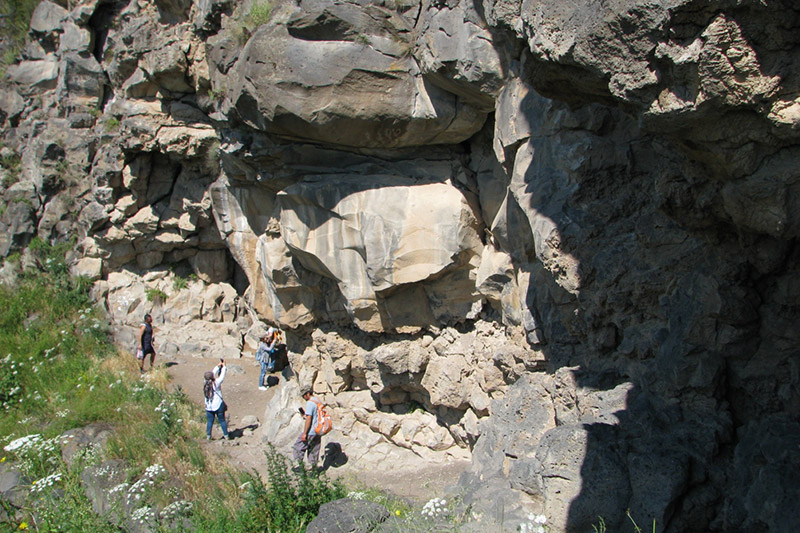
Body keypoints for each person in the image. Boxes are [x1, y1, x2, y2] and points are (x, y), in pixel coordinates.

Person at [292, 385, 322, 469]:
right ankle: (314, 468)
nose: (304, 398)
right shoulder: (317, 401)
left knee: (298, 446)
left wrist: (305, 433)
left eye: (304, 395)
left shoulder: (310, 403)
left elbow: (309, 419)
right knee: (314, 449)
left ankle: (298, 466)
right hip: (318, 430)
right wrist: (306, 416)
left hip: (311, 431)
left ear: (307, 394)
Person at [204, 360, 231, 440]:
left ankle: (208, 436)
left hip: (208, 406)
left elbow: (212, 374)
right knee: (222, 420)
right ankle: (226, 435)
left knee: (210, 421)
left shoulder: (205, 383)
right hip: (218, 404)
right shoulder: (216, 383)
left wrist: (217, 366)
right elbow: (222, 376)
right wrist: (224, 367)